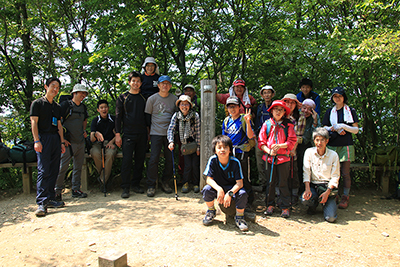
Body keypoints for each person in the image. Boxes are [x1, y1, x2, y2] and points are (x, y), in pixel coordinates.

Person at [30, 77, 66, 217]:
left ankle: (51, 198)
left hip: (55, 139)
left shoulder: (57, 107)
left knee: (54, 169)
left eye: (57, 87)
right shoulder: (37, 104)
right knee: (43, 170)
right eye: (53, 86)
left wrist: (62, 142)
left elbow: (59, 126)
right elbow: (34, 122)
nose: (55, 89)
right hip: (43, 138)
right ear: (46, 86)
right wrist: (36, 140)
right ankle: (41, 203)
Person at [258, 100, 297, 218]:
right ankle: (270, 204)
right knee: (270, 182)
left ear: (285, 111)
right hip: (269, 158)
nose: (278, 112)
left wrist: (280, 146)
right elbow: (261, 142)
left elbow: (292, 141)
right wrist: (269, 150)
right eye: (276, 109)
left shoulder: (288, 125)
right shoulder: (267, 124)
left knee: (283, 183)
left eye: (281, 109)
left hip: (284, 159)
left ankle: (285, 206)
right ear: (271, 111)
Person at [202, 135, 249, 231]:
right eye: (219, 147)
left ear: (230, 150)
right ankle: (211, 211)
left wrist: (230, 193)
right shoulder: (213, 160)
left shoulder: (235, 162)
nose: (222, 150)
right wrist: (219, 189)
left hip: (232, 188)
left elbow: (240, 183)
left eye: (225, 147)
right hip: (218, 187)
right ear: (215, 150)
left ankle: (239, 217)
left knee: (243, 193)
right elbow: (208, 179)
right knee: (206, 190)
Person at [115, 71, 150, 198]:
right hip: (128, 134)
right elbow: (118, 117)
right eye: (133, 81)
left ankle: (136, 184)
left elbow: (147, 117)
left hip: (142, 134)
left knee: (140, 160)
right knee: (127, 160)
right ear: (129, 82)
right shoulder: (123, 98)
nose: (136, 83)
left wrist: (149, 132)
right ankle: (125, 187)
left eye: (138, 81)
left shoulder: (144, 98)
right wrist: (118, 134)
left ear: (141, 83)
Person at [322, 87, 359, 209]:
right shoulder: (329, 111)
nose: (337, 98)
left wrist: (343, 126)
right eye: (335, 96)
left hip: (346, 144)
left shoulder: (350, 110)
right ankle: (334, 194)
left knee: (345, 172)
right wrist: (335, 128)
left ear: (344, 97)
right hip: (332, 143)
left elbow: (356, 130)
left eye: (339, 96)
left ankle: (345, 196)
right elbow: (325, 127)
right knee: (333, 172)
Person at [222, 96, 256, 220]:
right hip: (230, 153)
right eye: (230, 106)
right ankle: (234, 202)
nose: (232, 109)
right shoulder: (226, 121)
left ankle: (248, 204)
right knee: (231, 177)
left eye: (234, 106)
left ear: (239, 107)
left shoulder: (243, 119)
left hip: (242, 153)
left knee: (244, 178)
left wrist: (247, 122)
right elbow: (224, 138)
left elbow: (250, 136)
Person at [145, 75, 178, 197]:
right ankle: (151, 185)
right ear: (158, 85)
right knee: (154, 159)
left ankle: (165, 182)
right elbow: (147, 118)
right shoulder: (152, 99)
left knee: (170, 159)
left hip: (170, 134)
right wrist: (148, 133)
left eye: (167, 83)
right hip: (155, 133)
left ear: (170, 86)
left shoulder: (174, 99)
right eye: (162, 83)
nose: (165, 85)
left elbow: (177, 117)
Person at [55, 83, 89, 200]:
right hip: (68, 143)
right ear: (74, 93)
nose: (83, 95)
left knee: (78, 167)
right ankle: (57, 192)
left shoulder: (83, 107)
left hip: (80, 141)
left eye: (84, 93)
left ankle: (75, 189)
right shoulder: (65, 106)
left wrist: (84, 130)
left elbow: (84, 119)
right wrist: (62, 139)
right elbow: (58, 123)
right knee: (62, 168)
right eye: (81, 93)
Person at [301, 128, 340, 223]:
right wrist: (307, 188)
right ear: (314, 141)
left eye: (322, 140)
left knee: (330, 218)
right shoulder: (309, 152)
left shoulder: (333, 155)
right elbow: (306, 171)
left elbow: (335, 176)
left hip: (327, 187)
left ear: (327, 141)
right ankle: (313, 206)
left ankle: (327, 203)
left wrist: (328, 192)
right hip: (313, 185)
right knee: (304, 199)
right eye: (317, 140)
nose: (319, 143)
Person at [167, 95, 201, 193]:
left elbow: (198, 132)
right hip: (184, 144)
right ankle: (185, 182)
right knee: (187, 165)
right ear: (179, 105)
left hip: (194, 143)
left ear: (190, 105)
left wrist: (198, 147)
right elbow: (171, 129)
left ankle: (195, 183)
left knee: (195, 164)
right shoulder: (176, 116)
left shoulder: (195, 116)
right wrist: (171, 141)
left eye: (186, 104)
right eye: (182, 104)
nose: (184, 106)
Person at [89, 100, 117, 192]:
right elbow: (91, 138)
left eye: (105, 107)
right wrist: (96, 134)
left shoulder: (113, 119)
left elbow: (118, 134)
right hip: (97, 144)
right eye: (101, 108)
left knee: (110, 154)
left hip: (110, 143)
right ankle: (106, 178)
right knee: (95, 153)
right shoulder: (95, 120)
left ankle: (102, 179)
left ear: (108, 108)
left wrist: (111, 142)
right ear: (98, 110)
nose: (104, 109)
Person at [282, 93, 302, 204]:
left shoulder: (300, 117)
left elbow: (299, 135)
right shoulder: (280, 115)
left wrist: (293, 149)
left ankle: (294, 194)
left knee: (293, 170)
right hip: (280, 148)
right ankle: (281, 194)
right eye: (287, 102)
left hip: (293, 148)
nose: (289, 104)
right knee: (281, 172)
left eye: (292, 102)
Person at [254, 85, 275, 192]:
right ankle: (263, 183)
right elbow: (257, 122)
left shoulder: (275, 106)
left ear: (272, 94)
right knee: (260, 161)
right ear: (262, 95)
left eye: (269, 92)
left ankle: (271, 184)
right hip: (260, 138)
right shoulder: (260, 107)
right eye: (264, 93)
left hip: (273, 138)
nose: (267, 95)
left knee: (272, 161)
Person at [296, 99, 320, 191]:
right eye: (304, 108)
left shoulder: (314, 118)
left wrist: (314, 121)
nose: (306, 111)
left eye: (309, 109)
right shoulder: (296, 115)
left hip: (308, 146)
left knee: (306, 167)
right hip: (295, 144)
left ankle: (307, 189)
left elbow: (315, 135)